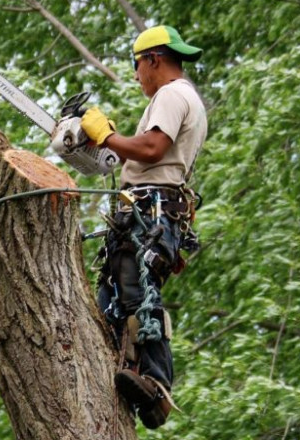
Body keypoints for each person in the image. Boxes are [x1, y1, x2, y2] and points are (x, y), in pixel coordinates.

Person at [80, 25, 207, 429]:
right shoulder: (184, 97)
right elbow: (146, 153)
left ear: (153, 59)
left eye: (137, 66)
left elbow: (152, 148)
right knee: (112, 298)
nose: (137, 76)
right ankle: (123, 366)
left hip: (152, 210)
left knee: (137, 292)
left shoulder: (171, 94)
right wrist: (109, 145)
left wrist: (109, 137)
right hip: (144, 209)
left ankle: (156, 386)